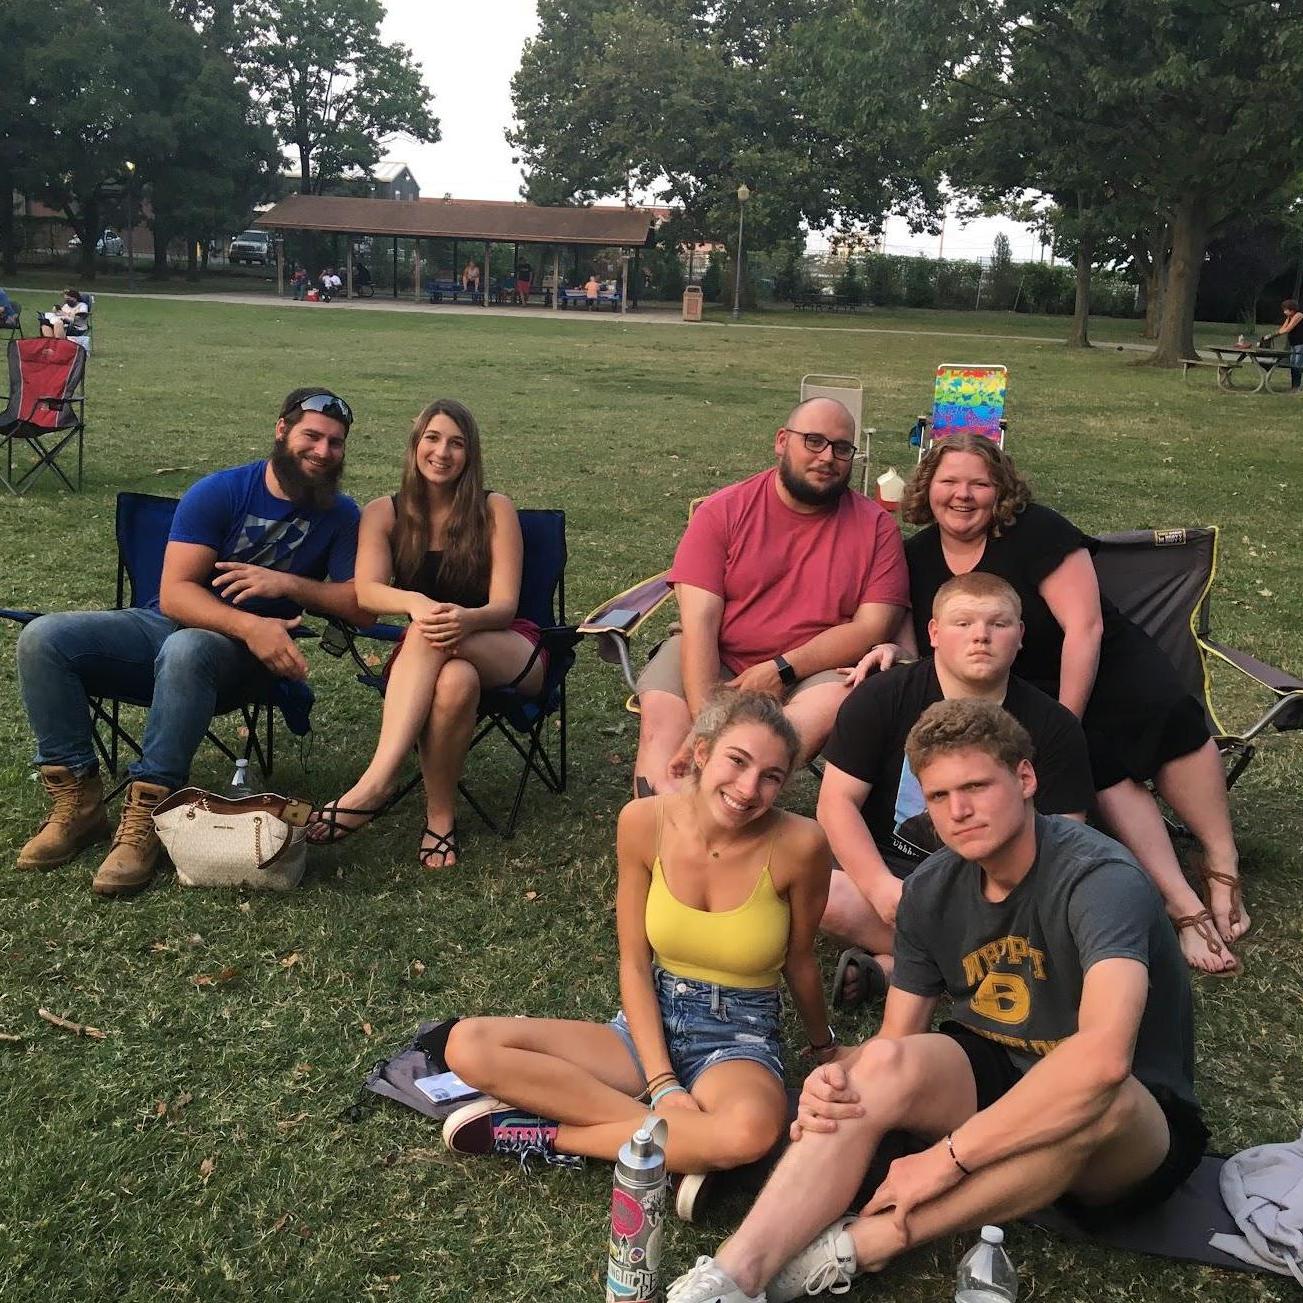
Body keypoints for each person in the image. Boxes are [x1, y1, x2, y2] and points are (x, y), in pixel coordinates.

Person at [667, 699, 1207, 1303]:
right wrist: (846, 1083)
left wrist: (949, 1157)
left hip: (1132, 1128)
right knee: (876, 1068)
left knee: (1098, 1096)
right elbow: (895, 1044)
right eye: (940, 796)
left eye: (977, 786)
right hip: (999, 1068)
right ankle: (731, 1277)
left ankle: (867, 1244)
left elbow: (1105, 1060)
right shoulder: (932, 888)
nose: (961, 811)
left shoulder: (1097, 877)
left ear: (1026, 779)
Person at [441, 689, 836, 1221]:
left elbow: (800, 961)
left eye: (770, 776)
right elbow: (633, 961)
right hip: (648, 1020)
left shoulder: (801, 844)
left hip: (738, 1032)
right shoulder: (643, 821)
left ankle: (549, 1136)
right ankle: (683, 1147)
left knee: (749, 1133)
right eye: (737, 762)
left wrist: (823, 1046)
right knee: (468, 1045)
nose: (749, 789)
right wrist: (663, 1084)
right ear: (701, 753)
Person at [891, 434, 1247, 974]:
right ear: (928, 488)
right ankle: (1181, 901)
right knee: (1099, 764)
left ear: (1000, 489)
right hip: (1013, 686)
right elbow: (920, 646)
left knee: (1166, 717)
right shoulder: (915, 556)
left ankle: (1221, 857)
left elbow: (1085, 627)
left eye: (979, 483)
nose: (963, 495)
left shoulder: (1038, 531)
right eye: (949, 482)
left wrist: (1065, 722)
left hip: (1100, 665)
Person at [14, 389, 364, 896]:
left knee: (190, 648)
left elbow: (358, 605)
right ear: (282, 430)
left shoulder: (342, 515)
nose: (323, 451)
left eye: (335, 443)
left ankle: (149, 814)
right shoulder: (221, 492)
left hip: (242, 663)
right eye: (312, 436)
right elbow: (176, 594)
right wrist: (249, 624)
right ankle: (78, 803)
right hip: (174, 626)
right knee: (43, 637)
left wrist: (287, 586)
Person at [819, 573, 1093, 1006]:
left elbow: (1061, 841)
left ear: (1020, 636)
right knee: (824, 894)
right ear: (933, 633)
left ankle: (904, 972)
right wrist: (879, 888)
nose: (980, 637)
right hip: (894, 870)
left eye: (998, 624)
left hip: (998, 887)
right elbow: (836, 802)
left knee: (1061, 924)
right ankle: (966, 975)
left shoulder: (1053, 725)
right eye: (962, 623)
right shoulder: (882, 698)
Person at [307, 398, 545, 869]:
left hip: (506, 644)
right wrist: (415, 603)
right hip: (434, 658)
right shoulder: (384, 512)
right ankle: (441, 819)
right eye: (433, 438)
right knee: (455, 680)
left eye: (457, 443)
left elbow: (504, 606)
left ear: (470, 455)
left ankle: (375, 784)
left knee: (430, 631)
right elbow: (370, 593)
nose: (443, 452)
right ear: (416, 445)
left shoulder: (494, 509)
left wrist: (462, 618)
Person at [633, 397, 908, 796]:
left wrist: (782, 668)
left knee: (817, 712)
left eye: (842, 448)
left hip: (816, 669)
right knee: (662, 730)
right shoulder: (723, 511)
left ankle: (734, 812)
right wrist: (708, 724)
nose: (828, 457)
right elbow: (700, 622)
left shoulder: (877, 528)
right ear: (782, 441)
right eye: (813, 441)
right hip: (714, 651)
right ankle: (663, 833)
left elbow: (872, 626)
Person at [1260, 298, 1303, 392]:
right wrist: (1271, 335)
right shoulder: (1289, 317)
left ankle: (1297, 387)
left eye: (1285, 309)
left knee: (1297, 365)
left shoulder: (1298, 315)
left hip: (1300, 344)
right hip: (1293, 343)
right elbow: (1283, 328)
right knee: (1293, 365)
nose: (1284, 312)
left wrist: (1273, 335)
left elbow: (1288, 329)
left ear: (1292, 309)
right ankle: (1294, 387)